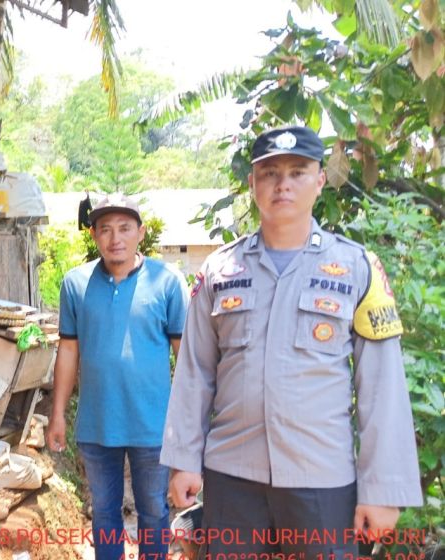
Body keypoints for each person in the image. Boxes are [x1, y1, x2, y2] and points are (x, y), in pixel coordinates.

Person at [161, 126, 423, 558]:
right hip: (232, 477)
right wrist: (184, 460)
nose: (282, 184)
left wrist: (383, 490)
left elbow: (382, 387)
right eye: (270, 173)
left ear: (320, 180)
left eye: (298, 172)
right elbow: (195, 374)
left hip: (322, 480)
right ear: (252, 183)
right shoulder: (220, 270)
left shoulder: (357, 268)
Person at [46, 193, 189, 560]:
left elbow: (186, 358)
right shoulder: (76, 284)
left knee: (154, 510)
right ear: (94, 234)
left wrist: (189, 425)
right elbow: (68, 351)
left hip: (153, 424)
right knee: (105, 512)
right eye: (106, 229)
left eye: (125, 228)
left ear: (141, 232)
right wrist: (58, 414)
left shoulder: (167, 281)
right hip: (98, 423)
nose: (115, 238)